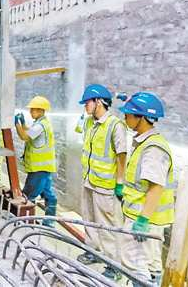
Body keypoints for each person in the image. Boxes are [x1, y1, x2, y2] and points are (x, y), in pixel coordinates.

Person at [119, 92, 175, 285]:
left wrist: (142, 221)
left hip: (144, 220)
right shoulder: (145, 142)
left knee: (135, 266)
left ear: (140, 118)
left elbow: (156, 188)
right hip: (146, 218)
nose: (125, 118)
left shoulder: (153, 149)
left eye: (128, 115)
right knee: (150, 266)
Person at [76, 84, 127, 281]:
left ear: (98, 102)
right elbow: (79, 130)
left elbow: (122, 156)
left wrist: (120, 183)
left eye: (87, 102)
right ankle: (92, 251)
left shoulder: (115, 125)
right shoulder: (90, 122)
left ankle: (113, 265)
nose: (85, 106)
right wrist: (84, 117)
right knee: (88, 219)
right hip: (89, 180)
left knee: (107, 225)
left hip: (105, 185)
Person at [14, 96, 57, 228]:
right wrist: (23, 123)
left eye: (33, 110)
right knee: (49, 195)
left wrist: (16, 123)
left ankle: (26, 223)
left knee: (29, 194)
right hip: (46, 166)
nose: (31, 112)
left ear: (40, 110)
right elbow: (29, 130)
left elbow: (24, 136)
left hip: (38, 168)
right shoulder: (42, 123)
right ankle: (49, 222)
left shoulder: (40, 126)